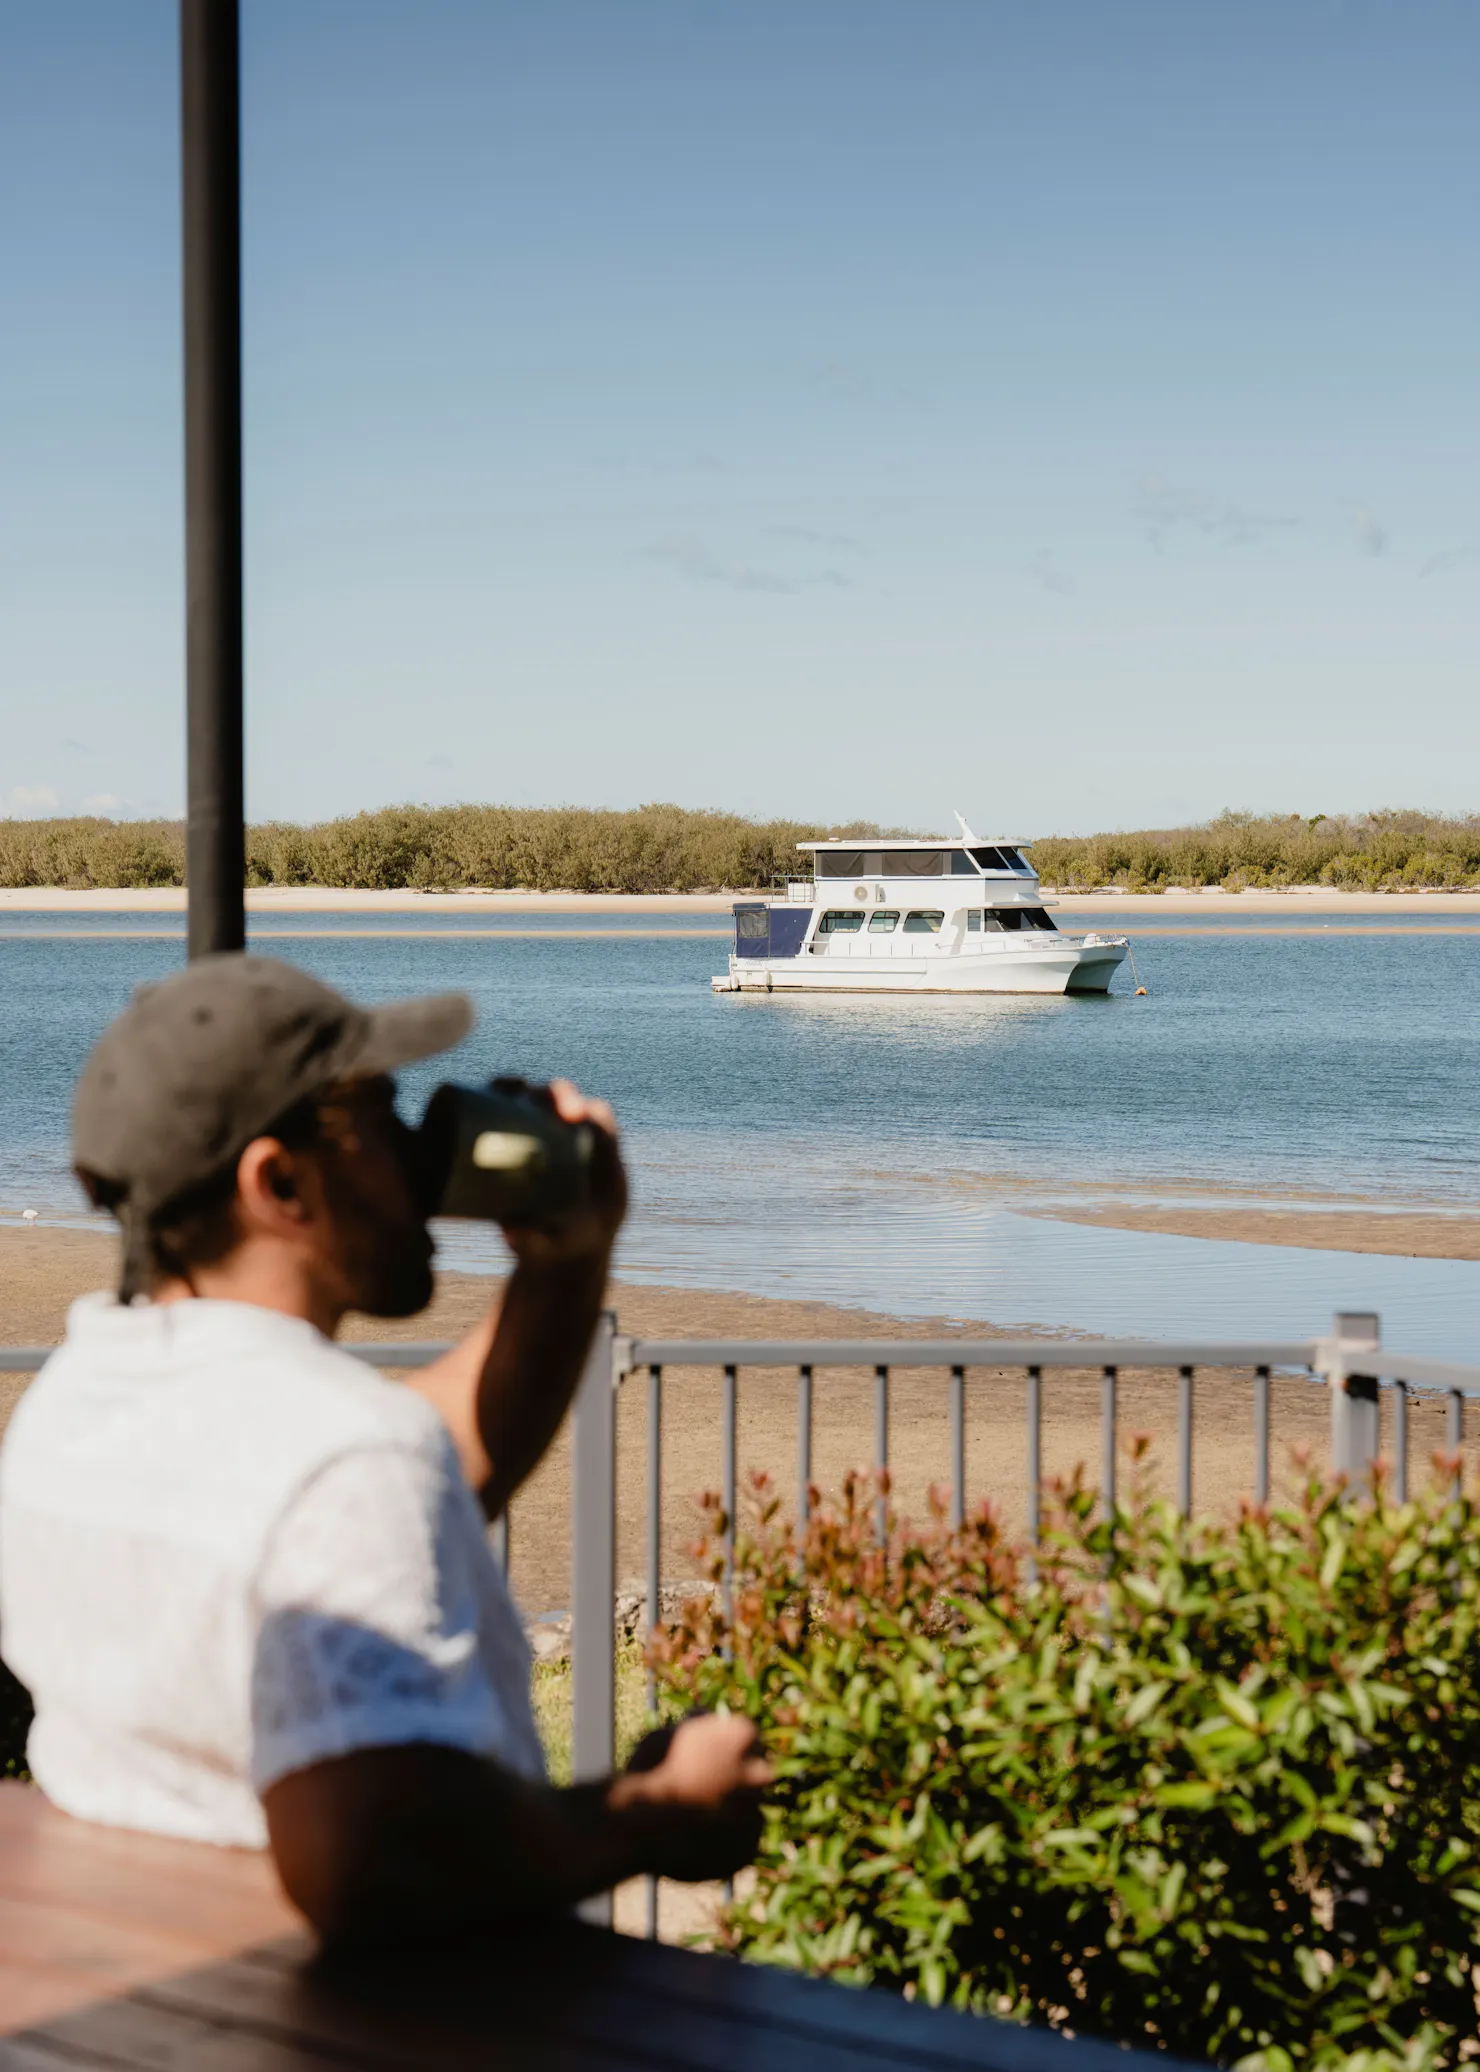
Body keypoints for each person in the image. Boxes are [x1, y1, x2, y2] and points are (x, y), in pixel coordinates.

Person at [0, 955, 768, 1943]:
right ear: (279, 1182)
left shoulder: (78, 1397)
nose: (418, 1154)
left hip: (172, 1978)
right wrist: (658, 1807)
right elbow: (380, 1857)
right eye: (383, 1118)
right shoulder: (346, 1454)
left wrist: (566, 1258)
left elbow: (431, 1457)